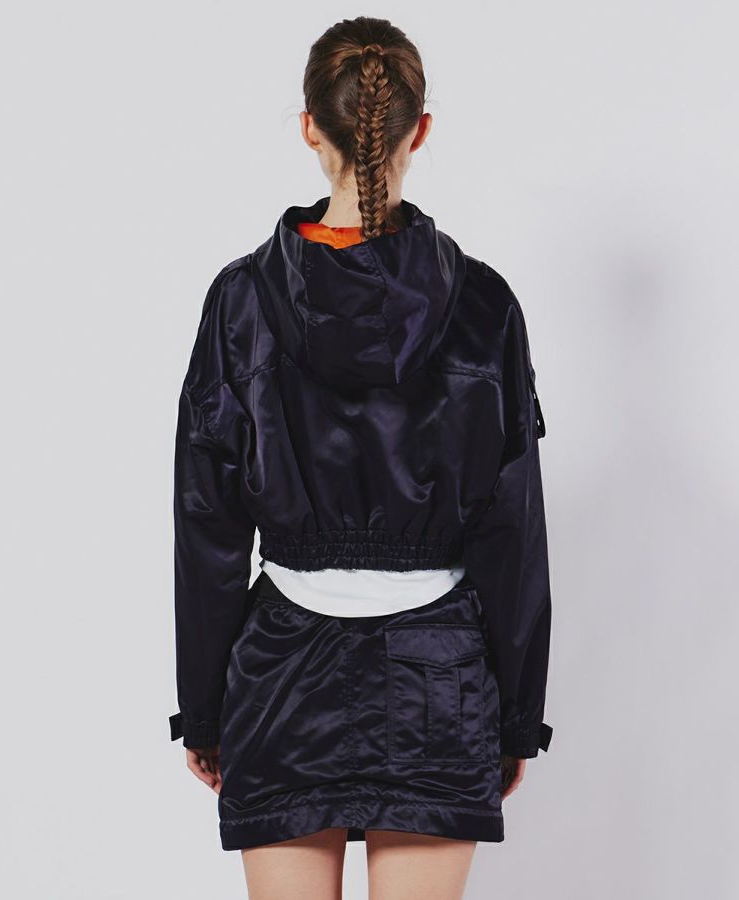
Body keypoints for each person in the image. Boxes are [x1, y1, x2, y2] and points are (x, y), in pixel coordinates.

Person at [168, 15, 553, 900]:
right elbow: (512, 527)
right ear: (420, 129)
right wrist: (515, 719)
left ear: (311, 127)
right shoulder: (484, 305)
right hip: (437, 678)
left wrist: (206, 708)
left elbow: (207, 522)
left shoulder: (241, 302)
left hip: (279, 673)